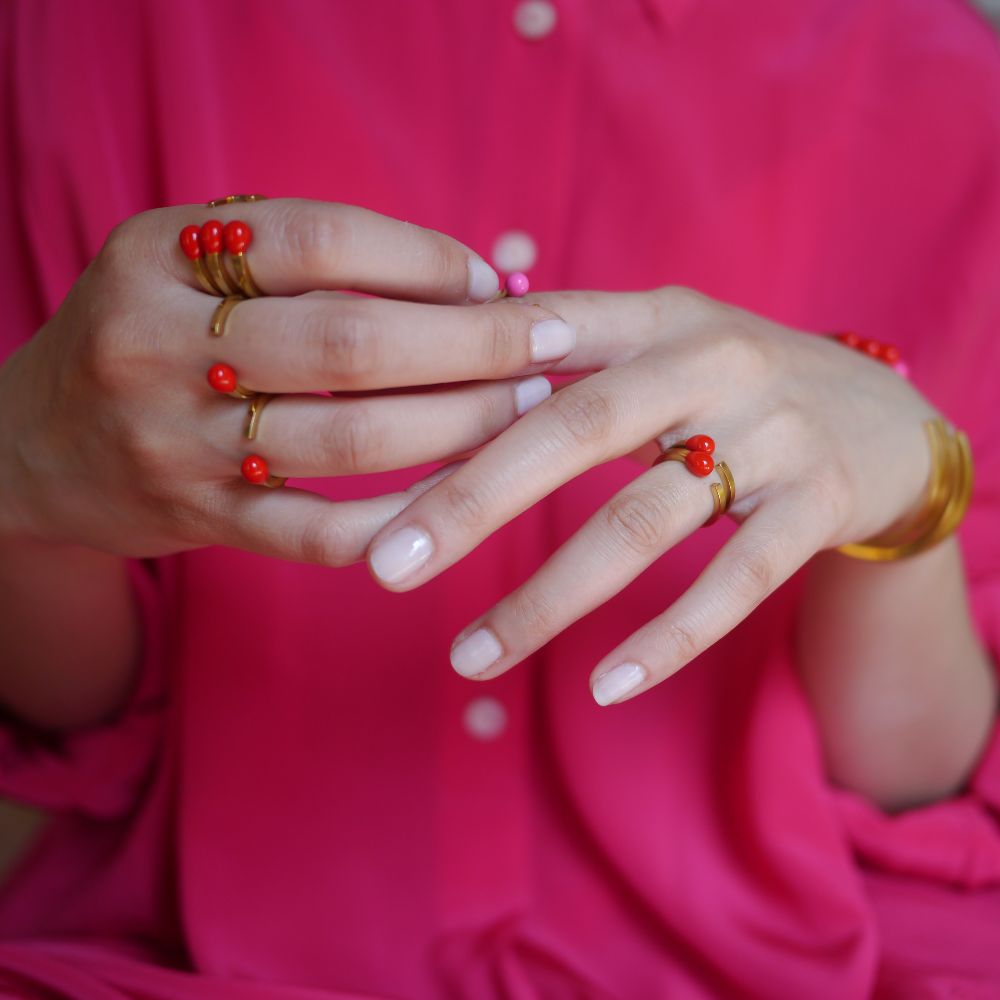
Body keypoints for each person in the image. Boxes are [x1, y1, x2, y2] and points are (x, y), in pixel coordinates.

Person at [1, 0, 1000, 997]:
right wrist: (24, 476)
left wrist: (914, 494)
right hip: (173, 958)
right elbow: (79, 718)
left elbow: (917, 781)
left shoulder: (953, 94)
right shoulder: (84, 34)